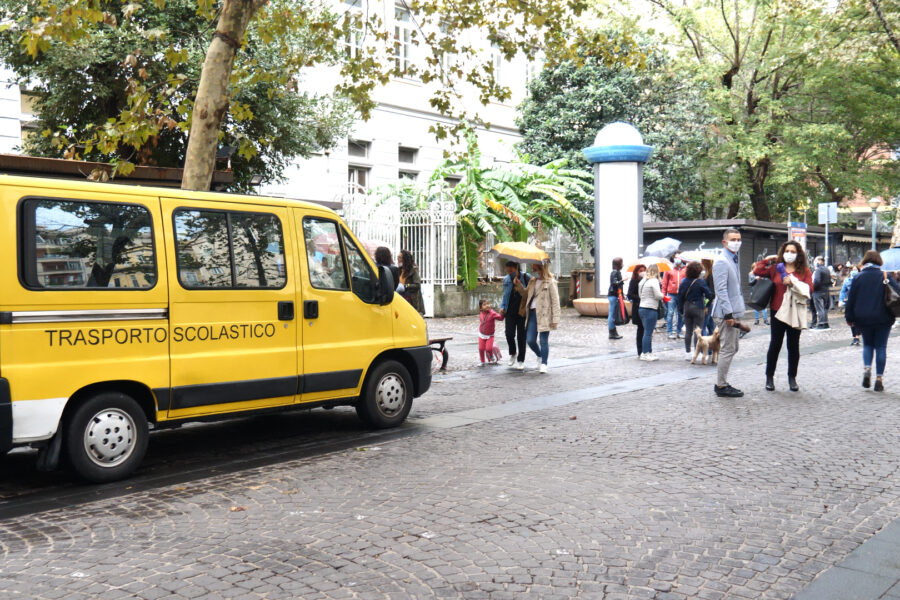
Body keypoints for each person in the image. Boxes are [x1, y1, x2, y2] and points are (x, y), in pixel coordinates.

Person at [754, 241, 814, 392]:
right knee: (775, 344)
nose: (789, 254)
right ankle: (769, 377)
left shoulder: (804, 271)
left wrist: (793, 282)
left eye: (793, 251)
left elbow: (810, 289)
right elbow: (757, 271)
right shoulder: (776, 268)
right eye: (787, 251)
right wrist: (768, 259)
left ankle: (792, 377)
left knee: (793, 346)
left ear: (798, 254)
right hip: (777, 310)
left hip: (795, 311)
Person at [845, 250, 900, 392]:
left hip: (863, 318)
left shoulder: (858, 277)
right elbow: (897, 293)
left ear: (865, 260)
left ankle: (867, 369)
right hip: (883, 318)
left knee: (868, 345)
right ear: (879, 261)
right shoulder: (885, 276)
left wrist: (849, 317)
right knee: (881, 347)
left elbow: (851, 299)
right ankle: (879, 379)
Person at [711, 229, 746, 398]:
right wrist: (728, 314)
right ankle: (721, 385)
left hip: (733, 311)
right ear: (724, 242)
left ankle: (722, 383)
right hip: (725, 312)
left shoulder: (733, 258)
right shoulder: (722, 261)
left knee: (733, 348)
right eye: (733, 239)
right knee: (728, 349)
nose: (737, 242)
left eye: (739, 239)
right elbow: (721, 290)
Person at [519, 260, 560, 373]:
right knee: (530, 340)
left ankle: (544, 364)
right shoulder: (533, 281)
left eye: (534, 264)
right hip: (532, 313)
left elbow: (555, 301)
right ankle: (540, 356)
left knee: (543, 340)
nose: (532, 266)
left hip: (545, 314)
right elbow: (525, 294)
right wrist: (519, 285)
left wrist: (555, 318)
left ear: (540, 266)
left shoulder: (550, 282)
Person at [677, 261, 714, 361]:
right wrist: (706, 305)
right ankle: (697, 353)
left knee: (688, 331)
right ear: (699, 271)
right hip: (698, 307)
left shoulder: (684, 281)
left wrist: (681, 310)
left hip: (687, 307)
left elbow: (679, 297)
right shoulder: (700, 282)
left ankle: (687, 353)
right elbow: (710, 295)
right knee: (698, 331)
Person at [500, 261, 530, 370]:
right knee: (509, 334)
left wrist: (519, 285)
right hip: (510, 311)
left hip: (522, 311)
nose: (509, 272)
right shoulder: (506, 279)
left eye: (511, 270)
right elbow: (505, 295)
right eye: (507, 270)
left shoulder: (526, 277)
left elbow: (529, 293)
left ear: (516, 267)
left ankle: (521, 360)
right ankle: (513, 353)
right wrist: (502, 306)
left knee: (521, 336)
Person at [637, 263, 664, 361]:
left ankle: (648, 352)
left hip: (642, 307)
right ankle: (645, 353)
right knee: (648, 333)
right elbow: (658, 295)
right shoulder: (654, 281)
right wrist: (663, 295)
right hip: (650, 308)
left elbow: (640, 295)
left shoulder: (643, 281)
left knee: (647, 331)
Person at [662, 254, 686, 339]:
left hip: (681, 295)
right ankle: (670, 331)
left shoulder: (685, 269)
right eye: (676, 257)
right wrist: (663, 295)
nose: (677, 259)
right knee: (670, 313)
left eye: (679, 257)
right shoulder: (669, 269)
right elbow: (664, 282)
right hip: (671, 294)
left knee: (681, 314)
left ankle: (679, 331)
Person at [626, 265, 647, 359]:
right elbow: (629, 294)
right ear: (636, 272)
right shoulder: (634, 281)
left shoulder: (647, 281)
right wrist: (640, 298)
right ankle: (640, 350)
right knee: (640, 329)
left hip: (646, 306)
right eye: (640, 271)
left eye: (644, 270)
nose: (642, 272)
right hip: (638, 307)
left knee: (646, 329)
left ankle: (646, 349)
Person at [397, 249, 425, 315]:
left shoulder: (413, 270)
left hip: (411, 299)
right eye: (397, 257)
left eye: (399, 257)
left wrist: (406, 286)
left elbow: (417, 285)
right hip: (400, 298)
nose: (398, 259)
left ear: (404, 259)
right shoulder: (399, 270)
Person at [477, 299, 504, 366]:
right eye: (484, 304)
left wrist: (502, 313)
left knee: (488, 349)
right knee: (481, 349)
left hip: (490, 335)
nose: (487, 305)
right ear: (481, 308)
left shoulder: (492, 313)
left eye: (488, 304)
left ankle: (491, 356)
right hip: (481, 334)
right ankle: (482, 361)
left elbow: (500, 318)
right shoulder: (481, 313)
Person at [840, 266, 861, 346]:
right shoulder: (847, 280)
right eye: (853, 269)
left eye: (855, 269)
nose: (854, 271)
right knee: (851, 319)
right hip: (850, 302)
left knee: (857, 319)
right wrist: (841, 300)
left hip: (859, 302)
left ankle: (857, 337)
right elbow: (843, 291)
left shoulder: (862, 279)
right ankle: (855, 336)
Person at [811, 256, 831, 329]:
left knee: (819, 308)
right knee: (824, 308)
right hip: (825, 290)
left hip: (818, 291)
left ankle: (821, 324)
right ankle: (825, 323)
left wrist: (813, 288)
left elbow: (817, 281)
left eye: (816, 261)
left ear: (820, 261)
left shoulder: (818, 270)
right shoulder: (826, 269)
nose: (815, 262)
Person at [608, 257, 625, 340]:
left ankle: (613, 332)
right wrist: (622, 280)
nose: (622, 264)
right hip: (613, 295)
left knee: (612, 313)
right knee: (612, 314)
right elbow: (614, 283)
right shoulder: (615, 272)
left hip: (614, 295)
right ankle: (612, 332)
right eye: (621, 263)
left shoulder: (616, 272)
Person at [701, 258, 716, 336]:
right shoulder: (708, 274)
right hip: (709, 302)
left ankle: (705, 342)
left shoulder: (710, 275)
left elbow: (712, 293)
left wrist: (706, 305)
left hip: (708, 303)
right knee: (710, 326)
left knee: (703, 326)